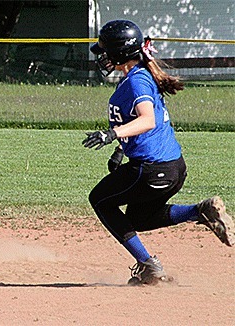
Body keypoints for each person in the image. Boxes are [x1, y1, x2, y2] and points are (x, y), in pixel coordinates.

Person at [83, 20, 234, 285]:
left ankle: (148, 266)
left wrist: (112, 134)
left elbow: (147, 120)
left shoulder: (136, 82)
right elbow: (141, 122)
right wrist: (121, 149)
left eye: (106, 50)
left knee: (100, 199)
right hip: (173, 167)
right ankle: (200, 211)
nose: (103, 56)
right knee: (139, 218)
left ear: (119, 52)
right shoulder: (139, 75)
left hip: (151, 168)